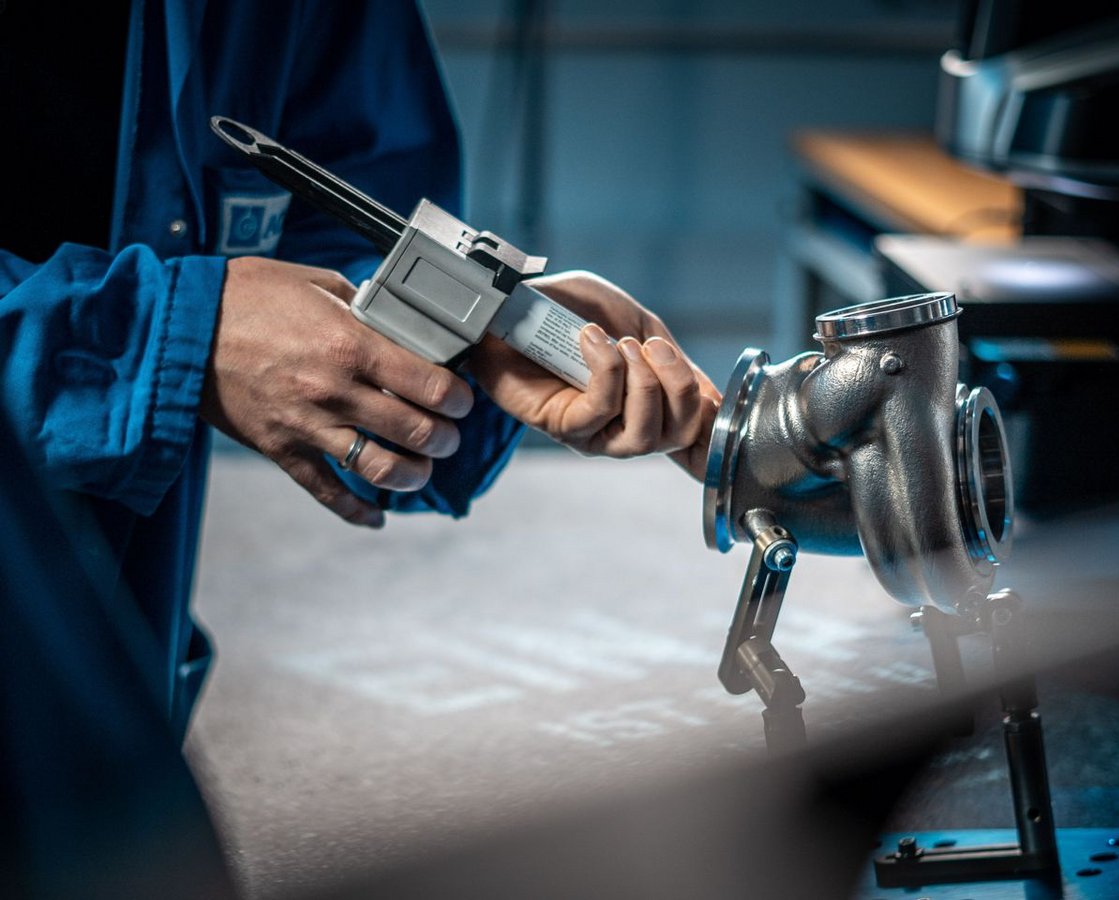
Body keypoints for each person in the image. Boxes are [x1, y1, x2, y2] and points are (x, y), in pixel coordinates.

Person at [0, 0, 718, 744]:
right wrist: (182, 336)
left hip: (115, 651)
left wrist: (466, 336)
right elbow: (205, 326)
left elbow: (351, 222)